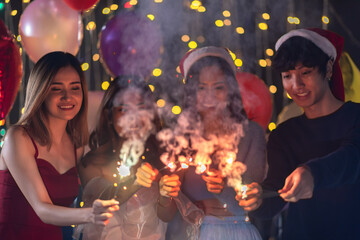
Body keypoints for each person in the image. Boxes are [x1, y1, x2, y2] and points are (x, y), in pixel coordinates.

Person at [237, 28, 360, 239]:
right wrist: (258, 199)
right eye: (287, 76)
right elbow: (275, 193)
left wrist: (312, 173)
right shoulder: (283, 135)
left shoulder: (356, 117)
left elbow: (351, 157)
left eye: (305, 73)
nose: (296, 85)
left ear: (328, 69)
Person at [0, 52, 119, 240]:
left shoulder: (77, 145)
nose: (67, 97)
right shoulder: (18, 137)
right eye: (56, 89)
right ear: (41, 92)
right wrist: (89, 214)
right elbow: (42, 209)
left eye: (75, 88)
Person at [166, 46, 267, 240]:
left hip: (238, 232)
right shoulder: (180, 136)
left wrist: (227, 186)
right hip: (191, 233)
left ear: (231, 89)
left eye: (219, 87)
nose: (210, 96)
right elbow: (168, 203)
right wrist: (194, 207)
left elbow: (255, 196)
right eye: (201, 88)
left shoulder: (251, 133)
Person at [78, 76, 181, 240]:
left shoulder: (164, 160)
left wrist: (165, 195)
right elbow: (102, 203)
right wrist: (135, 182)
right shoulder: (92, 163)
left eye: (141, 109)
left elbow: (167, 216)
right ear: (110, 116)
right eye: (124, 109)